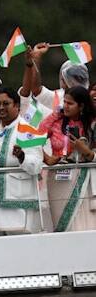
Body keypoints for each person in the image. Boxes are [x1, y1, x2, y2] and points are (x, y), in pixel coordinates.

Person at [0, 88, 43, 235]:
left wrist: (22, 156)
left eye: (6, 103)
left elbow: (37, 165)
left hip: (18, 197)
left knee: (20, 245)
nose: (1, 107)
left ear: (17, 106)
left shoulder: (28, 128)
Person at [39, 86, 96, 232]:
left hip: (83, 180)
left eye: (70, 103)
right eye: (64, 102)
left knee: (82, 223)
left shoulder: (92, 124)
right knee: (61, 225)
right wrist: (47, 158)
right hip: (57, 180)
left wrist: (83, 149)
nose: (65, 106)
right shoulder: (57, 122)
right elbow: (34, 139)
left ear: (81, 106)